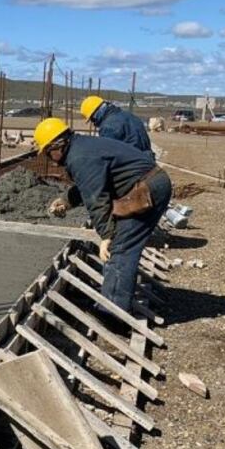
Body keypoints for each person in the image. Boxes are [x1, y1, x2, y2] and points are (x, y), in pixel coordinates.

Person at [37, 117, 171, 314]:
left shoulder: (79, 157)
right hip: (146, 185)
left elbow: (96, 200)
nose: (50, 159)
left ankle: (113, 313)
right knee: (121, 245)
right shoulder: (80, 148)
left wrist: (106, 235)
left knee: (120, 248)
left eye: (48, 153)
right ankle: (114, 299)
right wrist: (67, 200)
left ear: (56, 145)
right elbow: (91, 183)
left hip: (147, 190)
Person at [80, 96, 153, 155]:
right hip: (147, 158)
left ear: (95, 114)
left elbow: (107, 154)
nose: (93, 123)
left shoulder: (108, 127)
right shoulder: (128, 115)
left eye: (92, 119)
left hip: (133, 164)